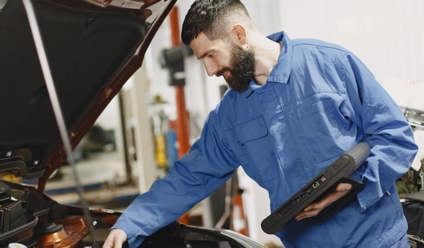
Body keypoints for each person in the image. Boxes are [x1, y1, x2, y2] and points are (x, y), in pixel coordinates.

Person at [103, 0, 418, 247]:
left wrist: (355, 186)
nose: (210, 71)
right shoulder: (229, 116)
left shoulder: (330, 64)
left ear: (238, 35)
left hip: (376, 240)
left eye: (211, 55)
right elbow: (190, 177)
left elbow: (396, 138)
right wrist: (131, 222)